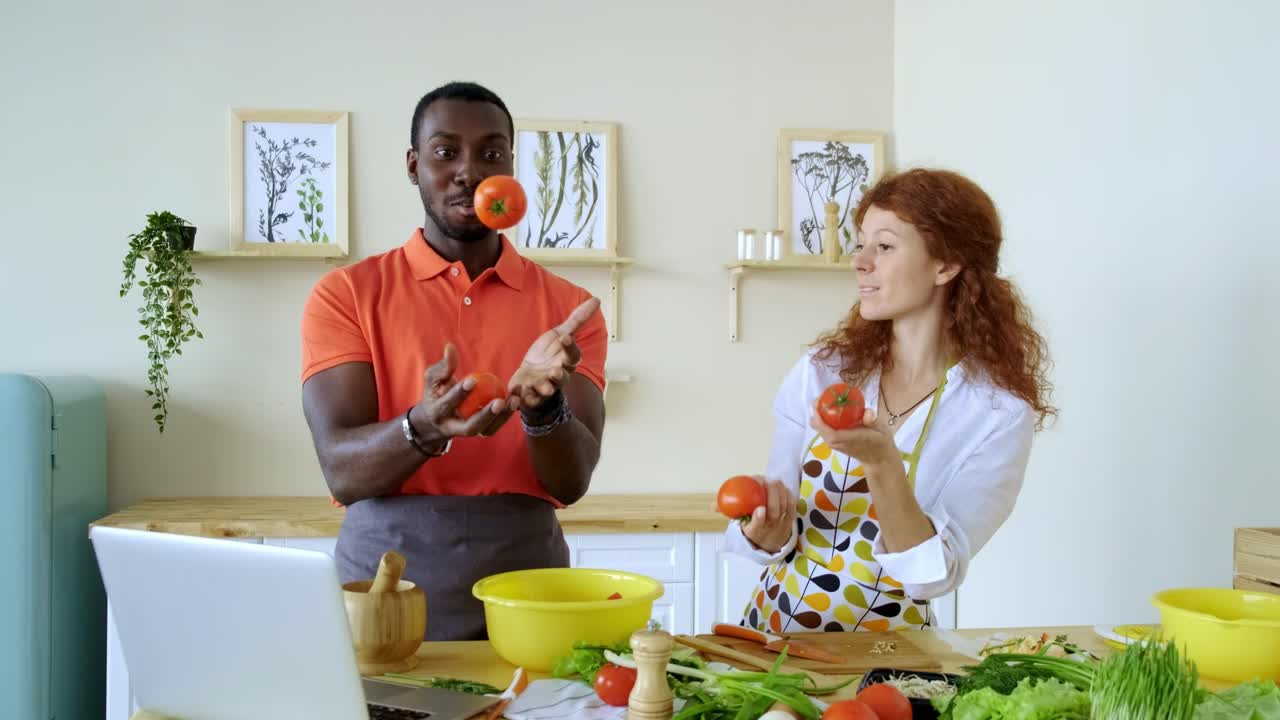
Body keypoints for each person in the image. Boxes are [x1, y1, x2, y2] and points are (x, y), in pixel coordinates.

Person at [299, 81, 607, 640]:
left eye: (491, 153)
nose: (469, 170)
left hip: (528, 586)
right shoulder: (345, 294)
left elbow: (572, 482)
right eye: (445, 152)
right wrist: (423, 427)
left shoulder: (567, 310)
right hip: (383, 586)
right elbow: (341, 472)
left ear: (511, 168)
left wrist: (543, 408)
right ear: (414, 166)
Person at [723, 168, 1055, 632]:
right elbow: (781, 522)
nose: (860, 262)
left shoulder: (995, 414)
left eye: (883, 246)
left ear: (946, 264)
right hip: (771, 638)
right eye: (860, 245)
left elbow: (933, 575)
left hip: (892, 661)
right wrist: (766, 529)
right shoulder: (823, 372)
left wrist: (882, 464)